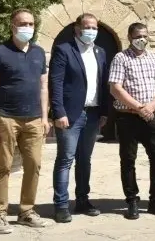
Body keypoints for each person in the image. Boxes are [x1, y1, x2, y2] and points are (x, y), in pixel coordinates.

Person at [0, 8, 51, 234]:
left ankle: (26, 211)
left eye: (31, 24)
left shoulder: (39, 53)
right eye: (22, 23)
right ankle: (0, 215)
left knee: (34, 165)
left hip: (34, 120)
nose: (27, 28)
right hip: (7, 119)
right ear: (12, 26)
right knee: (3, 167)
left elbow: (43, 86)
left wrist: (44, 116)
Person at [48, 13, 110, 223]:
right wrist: (58, 112)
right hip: (70, 114)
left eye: (94, 27)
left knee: (85, 160)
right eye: (86, 26)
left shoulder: (100, 52)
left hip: (93, 114)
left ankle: (82, 200)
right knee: (65, 159)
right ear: (76, 28)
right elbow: (55, 83)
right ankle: (61, 205)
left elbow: (103, 84)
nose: (90, 31)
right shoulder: (64, 50)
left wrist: (104, 112)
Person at [108, 22, 155, 220]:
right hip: (128, 117)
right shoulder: (120, 58)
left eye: (144, 35)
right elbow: (115, 88)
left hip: (151, 116)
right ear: (129, 37)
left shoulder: (154, 57)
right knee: (128, 159)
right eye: (137, 36)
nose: (141, 39)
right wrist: (139, 107)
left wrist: (152, 105)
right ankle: (132, 201)